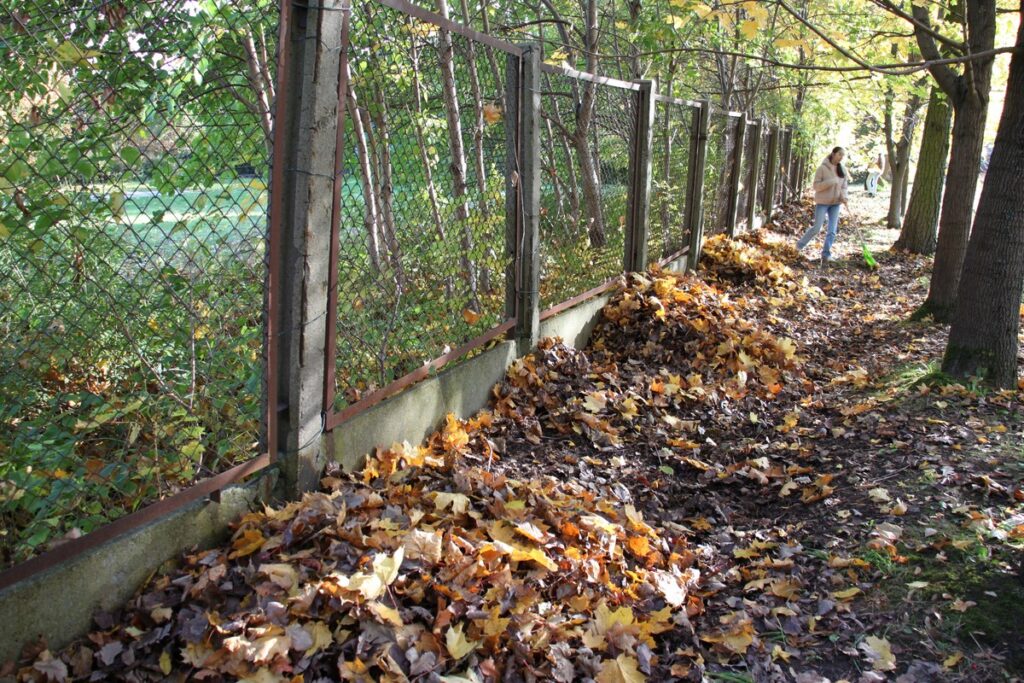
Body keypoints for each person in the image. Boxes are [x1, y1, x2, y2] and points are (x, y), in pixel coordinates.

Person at [796, 147, 849, 266]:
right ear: (833, 154)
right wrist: (831, 181)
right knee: (817, 228)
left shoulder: (843, 169)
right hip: (823, 202)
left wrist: (844, 197)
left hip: (836, 203)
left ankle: (826, 254)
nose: (841, 157)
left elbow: (844, 187)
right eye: (839, 154)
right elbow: (816, 186)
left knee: (832, 230)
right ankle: (798, 246)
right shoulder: (822, 169)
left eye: (843, 155)